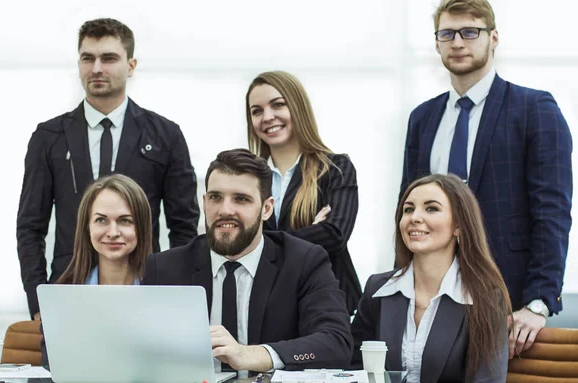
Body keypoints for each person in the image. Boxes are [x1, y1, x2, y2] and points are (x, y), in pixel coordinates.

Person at [400, 0, 572, 358]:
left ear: (493, 38)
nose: (458, 42)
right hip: (433, 296)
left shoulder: (534, 109)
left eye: (470, 32)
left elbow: (552, 212)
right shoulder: (422, 118)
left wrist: (538, 302)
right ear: (436, 43)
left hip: (508, 296)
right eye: (447, 33)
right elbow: (409, 210)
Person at [17, 18, 199, 320]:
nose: (96, 68)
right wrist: (39, 300)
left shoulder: (165, 135)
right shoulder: (48, 137)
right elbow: (30, 226)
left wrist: (171, 290)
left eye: (109, 58)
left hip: (144, 288)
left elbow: (184, 226)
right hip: (68, 290)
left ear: (131, 65)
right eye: (87, 58)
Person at [142, 149, 353, 376]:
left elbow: (336, 343)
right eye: (215, 197)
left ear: (266, 208)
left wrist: (253, 355)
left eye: (241, 199)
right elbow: (139, 351)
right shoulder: (163, 268)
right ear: (204, 202)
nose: (225, 210)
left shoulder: (303, 261)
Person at [352, 174, 511, 382]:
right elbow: (352, 366)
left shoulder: (487, 298)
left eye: (431, 208)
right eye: (408, 209)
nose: (414, 217)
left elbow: (487, 380)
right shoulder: (378, 289)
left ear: (459, 226)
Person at [245, 70, 362, 315]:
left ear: (298, 107)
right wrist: (309, 231)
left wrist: (267, 242)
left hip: (329, 304)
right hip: (273, 306)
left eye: (278, 105)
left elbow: (334, 236)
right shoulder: (250, 180)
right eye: (257, 111)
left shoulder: (336, 169)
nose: (267, 117)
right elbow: (241, 243)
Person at [41, 174, 153, 368]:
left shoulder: (162, 294)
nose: (112, 232)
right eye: (101, 220)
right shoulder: (61, 299)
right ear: (87, 227)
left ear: (141, 228)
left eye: (125, 220)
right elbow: (54, 372)